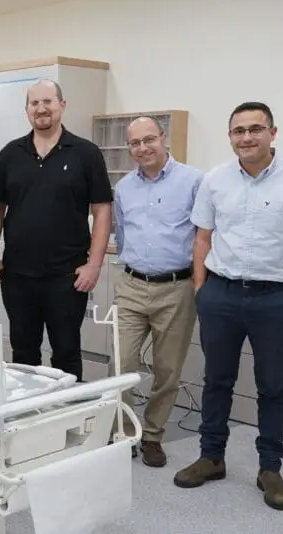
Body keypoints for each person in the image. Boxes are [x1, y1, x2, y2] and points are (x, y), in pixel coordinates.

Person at [172, 102, 283, 512]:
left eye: (255, 129)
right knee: (216, 380)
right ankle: (211, 457)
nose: (246, 137)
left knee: (273, 385)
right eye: (238, 130)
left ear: (273, 133)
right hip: (220, 295)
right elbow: (203, 237)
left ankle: (270, 468)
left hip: (275, 298)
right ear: (230, 137)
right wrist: (202, 290)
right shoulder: (216, 180)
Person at [0, 79, 113, 380]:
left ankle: (67, 420)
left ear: (62, 105)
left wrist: (94, 265)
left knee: (66, 350)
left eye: (48, 102)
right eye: (35, 103)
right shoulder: (10, 154)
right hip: (17, 275)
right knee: (23, 350)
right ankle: (26, 420)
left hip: (67, 276)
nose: (41, 109)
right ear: (27, 110)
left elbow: (102, 210)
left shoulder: (85, 153)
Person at [110, 116, 203, 467]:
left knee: (167, 370)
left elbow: (205, 234)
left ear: (163, 138)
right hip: (132, 285)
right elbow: (122, 234)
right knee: (121, 365)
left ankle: (152, 436)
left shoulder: (194, 181)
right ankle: (122, 433)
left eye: (149, 139)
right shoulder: (123, 188)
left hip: (177, 288)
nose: (143, 148)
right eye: (135, 143)